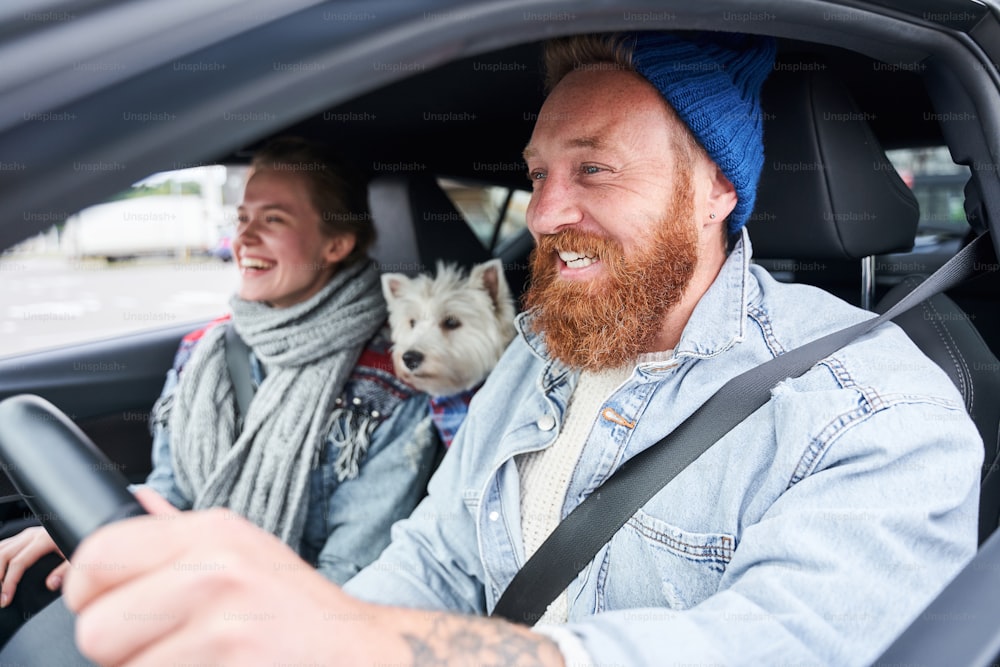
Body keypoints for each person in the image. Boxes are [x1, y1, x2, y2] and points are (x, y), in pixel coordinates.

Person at [61, 31, 982, 667]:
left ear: (713, 188)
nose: (544, 212)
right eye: (539, 173)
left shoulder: (870, 404)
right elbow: (437, 557)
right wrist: (301, 629)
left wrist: (364, 639)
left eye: (594, 168)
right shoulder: (543, 350)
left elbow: (776, 647)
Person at [0, 137, 440, 636]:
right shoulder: (203, 351)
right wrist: (85, 530)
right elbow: (173, 493)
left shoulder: (392, 384)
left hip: (289, 631)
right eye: (242, 218)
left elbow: (350, 580)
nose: (245, 237)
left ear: (335, 244)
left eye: (273, 219)